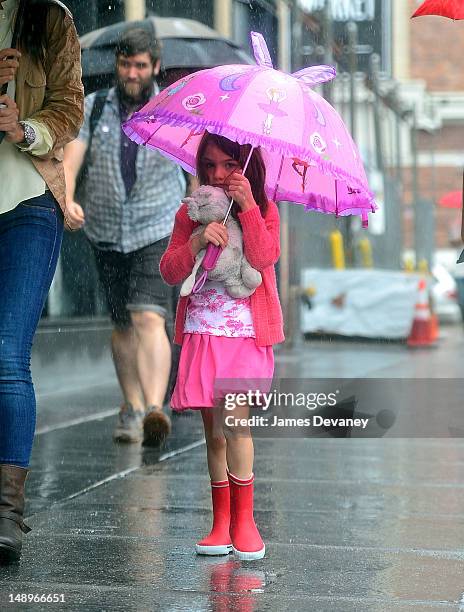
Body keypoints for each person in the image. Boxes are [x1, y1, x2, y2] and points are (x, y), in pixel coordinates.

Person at [160, 132, 284, 560]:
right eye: (209, 164)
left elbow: (266, 258)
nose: (217, 174)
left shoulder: (265, 209)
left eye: (229, 164)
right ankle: (220, 523)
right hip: (203, 332)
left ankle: (246, 521)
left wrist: (248, 208)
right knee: (213, 434)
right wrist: (196, 240)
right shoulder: (190, 213)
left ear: (246, 166)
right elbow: (171, 271)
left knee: (236, 426)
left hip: (244, 335)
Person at [63, 29, 186, 445]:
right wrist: (66, 196)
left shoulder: (174, 108)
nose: (130, 73)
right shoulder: (94, 108)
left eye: (139, 65)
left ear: (154, 66)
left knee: (148, 316)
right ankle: (132, 406)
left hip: (158, 226)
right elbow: (72, 158)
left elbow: (194, 165)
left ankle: (155, 408)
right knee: (122, 325)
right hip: (106, 228)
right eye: (124, 64)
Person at [0, 0, 84, 562]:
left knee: (6, 352)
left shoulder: (48, 18)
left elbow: (69, 110)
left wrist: (23, 126)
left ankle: (6, 509)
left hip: (27, 202)